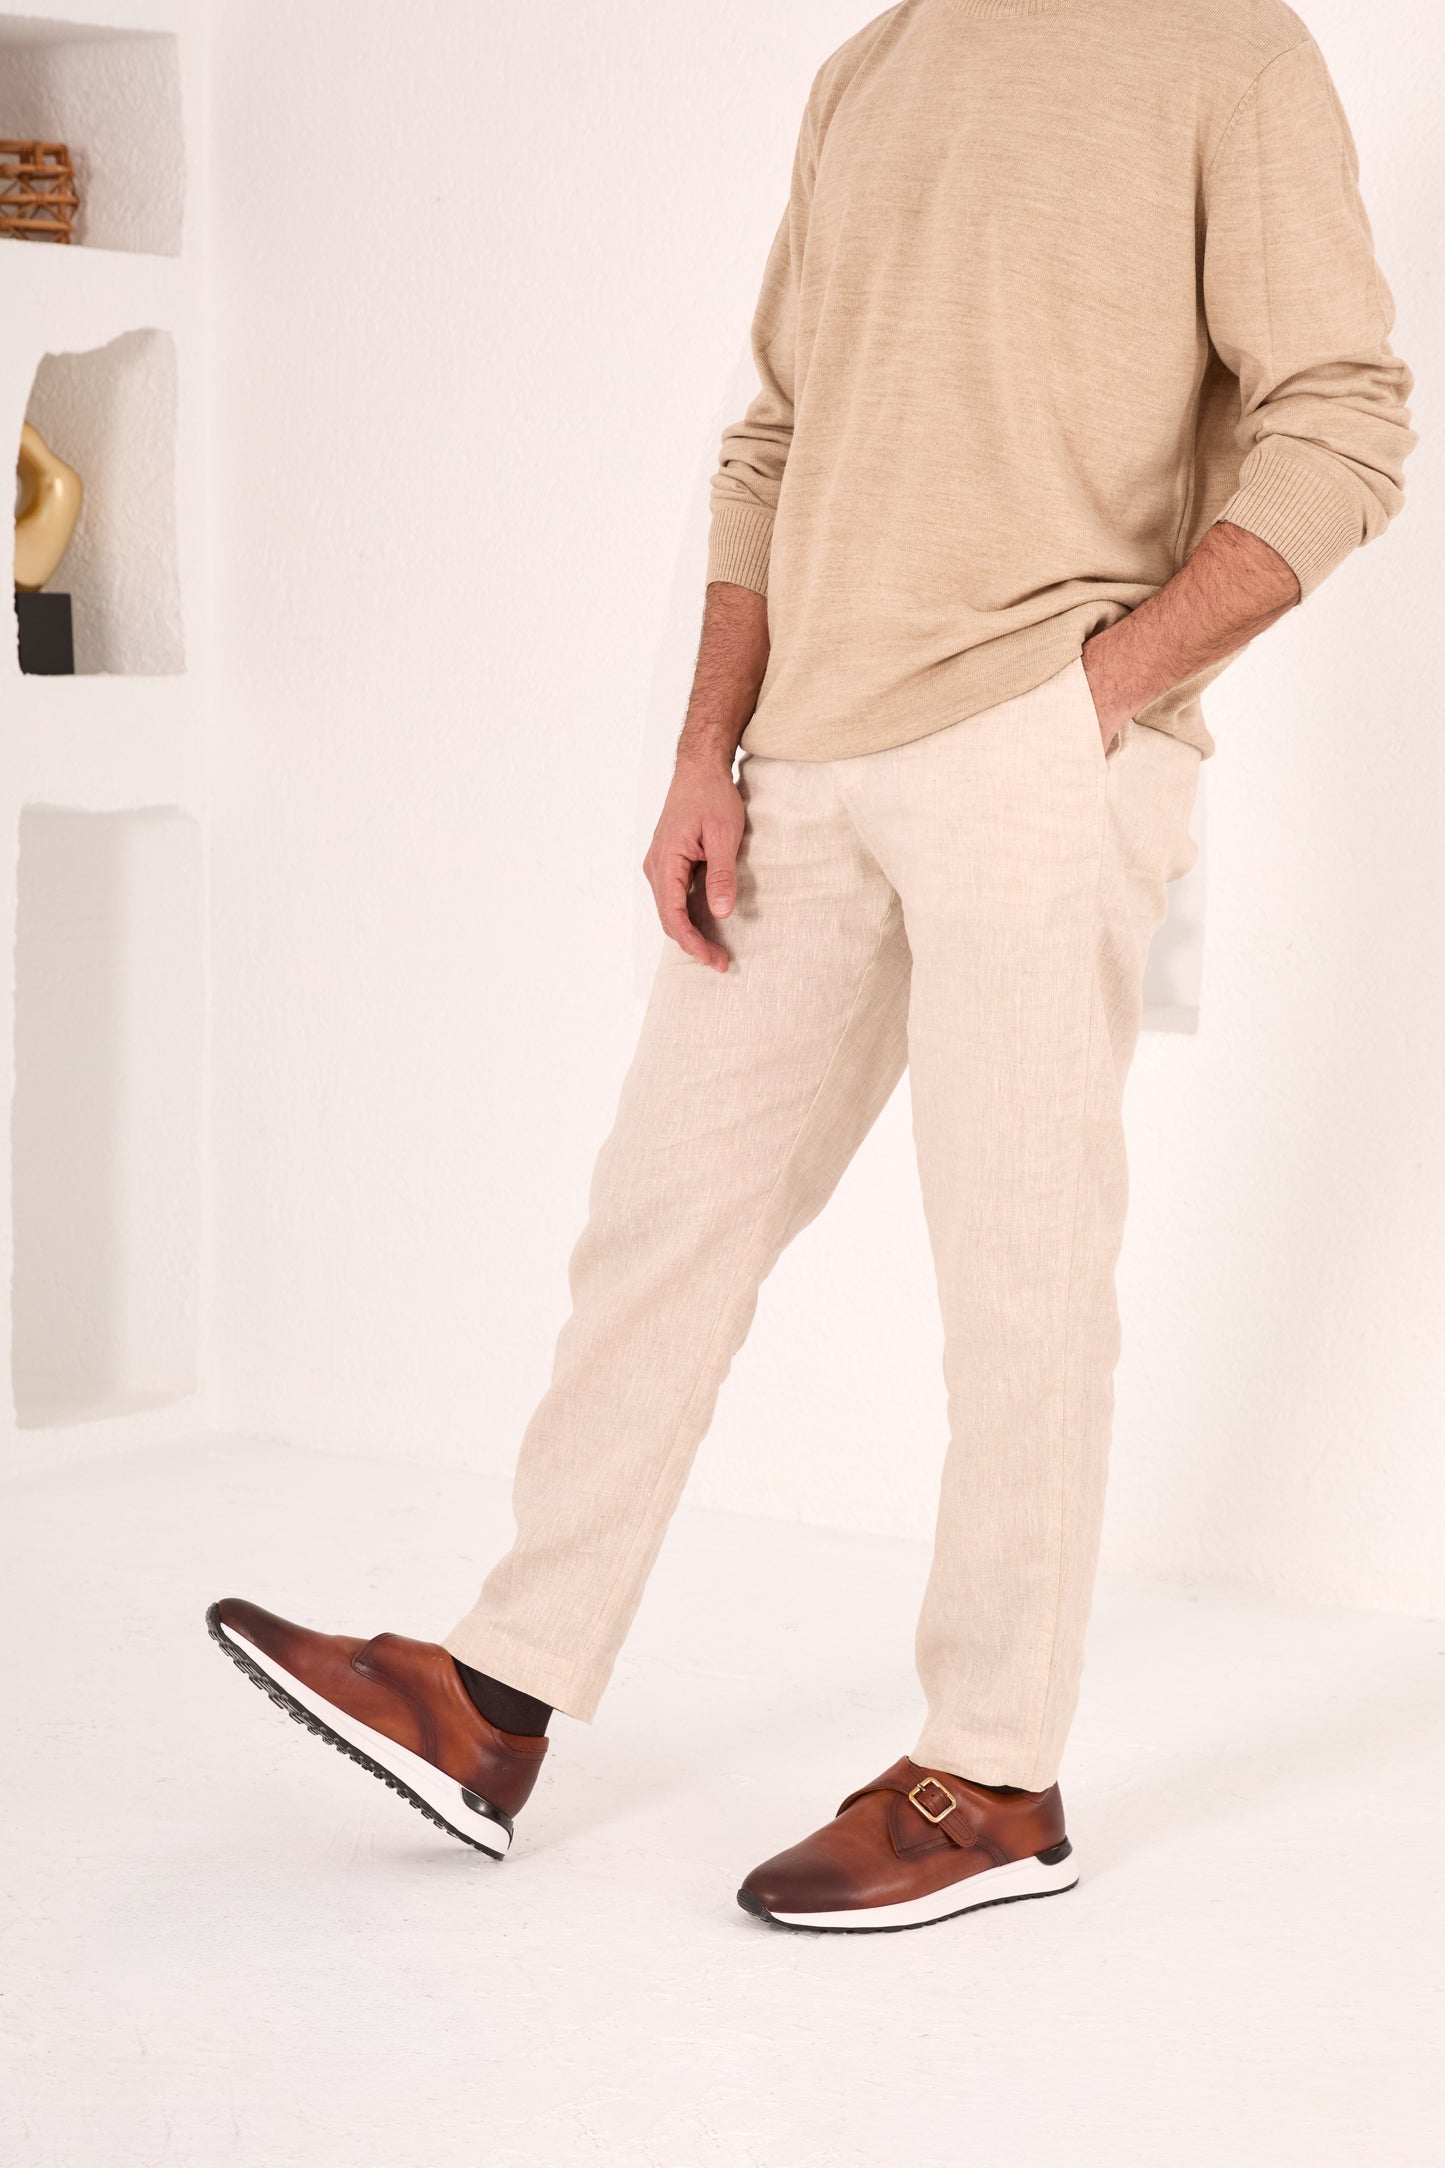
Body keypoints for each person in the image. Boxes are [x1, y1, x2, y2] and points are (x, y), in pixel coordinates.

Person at [210, 0, 1414, 1933]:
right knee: (660, 1223)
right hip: (802, 763)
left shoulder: (1226, 48)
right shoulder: (871, 66)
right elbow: (774, 435)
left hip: (1036, 751)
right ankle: (495, 1697)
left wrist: (1090, 701)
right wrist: (708, 746)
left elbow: (1344, 424)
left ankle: (994, 1778)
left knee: (1017, 1281)